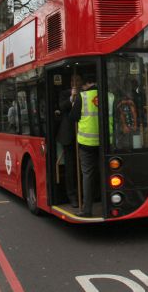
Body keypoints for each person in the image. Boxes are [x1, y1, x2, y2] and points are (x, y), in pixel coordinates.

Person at [70, 74, 99, 217]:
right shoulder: (109, 94)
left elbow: (73, 117)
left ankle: (87, 209)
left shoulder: (83, 97)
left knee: (87, 175)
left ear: (87, 83)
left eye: (83, 85)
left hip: (86, 143)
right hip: (106, 143)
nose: (82, 87)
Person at [56, 75, 82, 208]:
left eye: (77, 80)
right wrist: (71, 98)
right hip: (68, 135)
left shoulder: (85, 93)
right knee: (71, 169)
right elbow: (62, 107)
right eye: (73, 81)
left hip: (84, 135)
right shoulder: (64, 94)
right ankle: (72, 196)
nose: (75, 83)